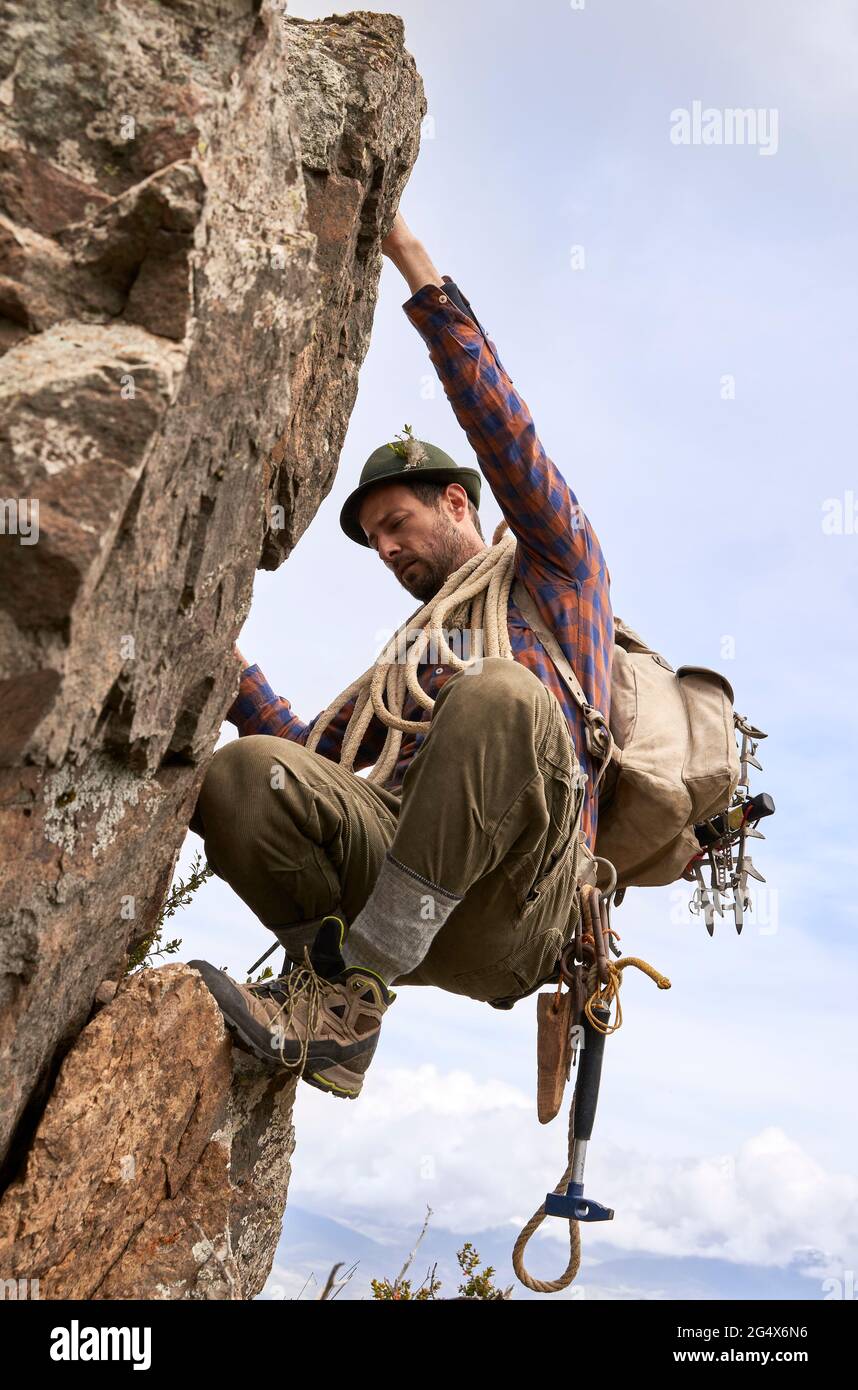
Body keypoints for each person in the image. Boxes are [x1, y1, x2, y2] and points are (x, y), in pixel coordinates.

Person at [187, 211, 614, 1100]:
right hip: (403, 892)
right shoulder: (412, 660)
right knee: (243, 775)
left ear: (459, 503)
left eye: (397, 524)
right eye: (374, 540)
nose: (385, 550)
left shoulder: (560, 577)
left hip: (517, 911)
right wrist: (221, 666)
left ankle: (348, 998)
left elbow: (508, 438)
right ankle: (336, 1009)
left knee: (500, 697)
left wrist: (412, 265)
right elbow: (319, 769)